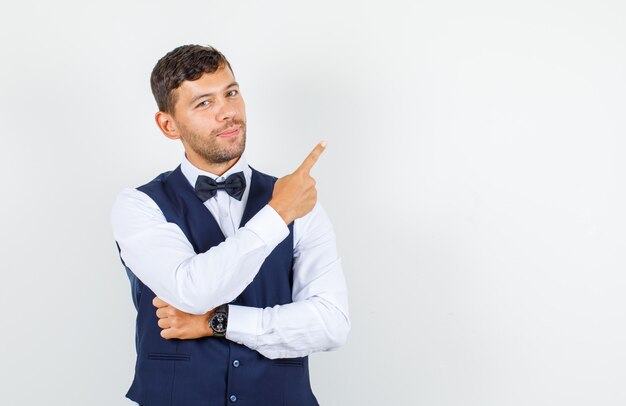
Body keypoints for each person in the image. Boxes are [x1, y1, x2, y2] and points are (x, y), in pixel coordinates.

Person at [111, 44, 350, 406]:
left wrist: (217, 321)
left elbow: (331, 324)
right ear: (168, 125)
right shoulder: (139, 206)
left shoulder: (300, 200)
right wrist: (278, 214)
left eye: (231, 93)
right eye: (203, 103)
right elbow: (192, 290)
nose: (227, 113)